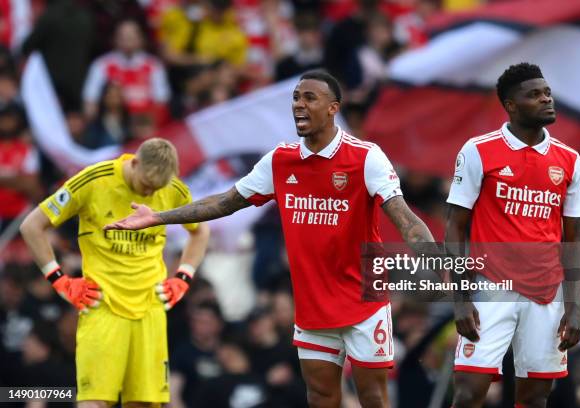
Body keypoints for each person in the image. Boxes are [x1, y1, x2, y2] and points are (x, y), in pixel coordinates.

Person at [105, 70, 436, 408]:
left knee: (372, 398)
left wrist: (447, 276)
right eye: (296, 98)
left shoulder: (366, 158)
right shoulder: (280, 160)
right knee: (321, 397)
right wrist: (157, 217)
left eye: (310, 98)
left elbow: (407, 220)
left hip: (364, 300)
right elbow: (223, 202)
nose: (299, 105)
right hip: (312, 305)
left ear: (333, 107)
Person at [20, 138, 210, 407]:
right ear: (134, 162)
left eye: (156, 189)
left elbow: (200, 230)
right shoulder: (93, 180)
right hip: (102, 305)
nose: (148, 194)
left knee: (146, 403)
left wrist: (183, 277)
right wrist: (60, 280)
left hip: (150, 308)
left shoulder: (173, 189)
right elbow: (32, 226)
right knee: (94, 401)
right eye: (146, 185)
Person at [445, 63, 580, 407]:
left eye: (548, 93)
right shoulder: (478, 150)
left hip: (547, 292)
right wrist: (460, 299)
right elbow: (455, 226)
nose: (546, 99)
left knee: (536, 396)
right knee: (468, 391)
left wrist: (576, 303)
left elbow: (575, 236)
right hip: (491, 285)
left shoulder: (569, 160)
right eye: (535, 95)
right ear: (511, 105)